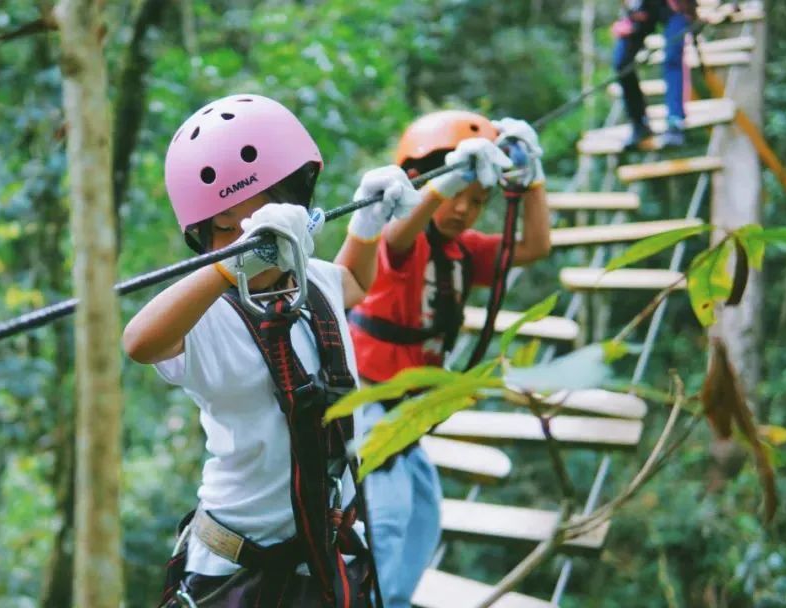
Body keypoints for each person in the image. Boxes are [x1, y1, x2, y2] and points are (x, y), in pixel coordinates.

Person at [123, 93, 421, 607]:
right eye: (227, 228)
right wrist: (229, 267)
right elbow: (139, 342)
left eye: (266, 218)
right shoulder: (207, 319)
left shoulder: (315, 282)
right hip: (238, 571)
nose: (250, 235)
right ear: (203, 238)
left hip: (328, 558)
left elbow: (353, 280)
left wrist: (368, 222)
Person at [347, 110, 552, 608]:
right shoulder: (399, 242)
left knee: (423, 518)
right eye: (459, 194)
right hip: (367, 401)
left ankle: (391, 601)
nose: (464, 208)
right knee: (387, 518)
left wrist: (532, 181)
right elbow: (397, 236)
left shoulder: (465, 252)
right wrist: (447, 181)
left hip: (408, 411)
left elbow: (535, 246)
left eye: (478, 200)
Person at [612, 0, 699, 148]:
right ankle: (639, 123)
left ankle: (675, 121)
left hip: (675, 6)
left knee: (672, 57)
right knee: (621, 62)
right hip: (643, 7)